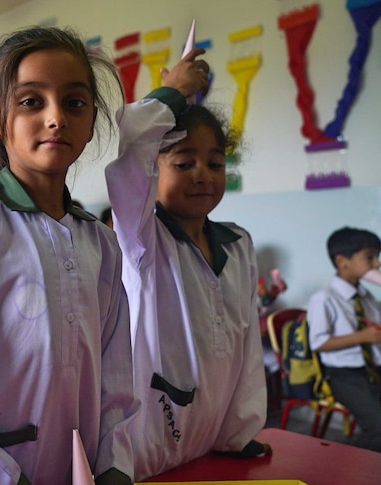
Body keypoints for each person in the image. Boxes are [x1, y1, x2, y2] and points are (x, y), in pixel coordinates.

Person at [0, 26, 136, 484]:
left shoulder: (101, 243)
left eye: (74, 102)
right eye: (32, 101)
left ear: (92, 122)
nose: (57, 118)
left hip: (76, 469)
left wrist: (115, 463)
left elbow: (117, 373)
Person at [105, 51, 269, 480]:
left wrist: (237, 434)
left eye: (215, 163)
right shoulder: (142, 240)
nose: (203, 175)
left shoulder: (238, 244)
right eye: (183, 163)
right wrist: (173, 93)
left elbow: (248, 350)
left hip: (214, 442)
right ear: (152, 173)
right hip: (150, 444)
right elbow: (132, 148)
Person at [307, 227, 381, 452]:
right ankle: (348, 466)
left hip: (374, 369)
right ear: (342, 261)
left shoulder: (366, 296)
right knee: (379, 428)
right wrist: (363, 336)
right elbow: (318, 343)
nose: (377, 264)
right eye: (370, 257)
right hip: (345, 376)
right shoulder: (324, 299)